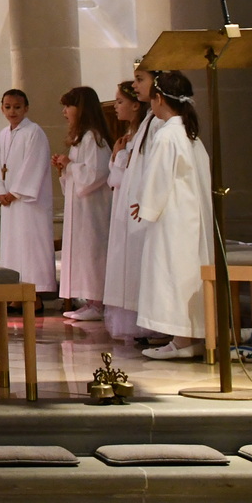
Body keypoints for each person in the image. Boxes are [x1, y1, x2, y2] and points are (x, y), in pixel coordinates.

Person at [132, 70, 214, 359]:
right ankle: (187, 335)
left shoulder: (167, 135)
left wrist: (145, 205)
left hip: (173, 219)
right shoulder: (189, 134)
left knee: (173, 274)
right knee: (185, 275)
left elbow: (158, 178)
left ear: (158, 99)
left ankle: (181, 340)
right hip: (188, 216)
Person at [0, 89, 56, 301]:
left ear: (26, 108)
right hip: (9, 203)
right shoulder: (3, 134)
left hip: (28, 203)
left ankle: (35, 296)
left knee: (30, 247)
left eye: (17, 107)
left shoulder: (34, 132)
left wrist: (15, 192)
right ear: (2, 108)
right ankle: (16, 294)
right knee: (13, 247)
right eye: (8, 107)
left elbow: (34, 164)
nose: (12, 111)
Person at [103, 76, 159, 341]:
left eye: (120, 101)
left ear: (136, 105)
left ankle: (145, 324)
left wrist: (119, 157)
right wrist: (118, 157)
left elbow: (132, 172)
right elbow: (117, 177)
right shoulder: (134, 133)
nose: (115, 106)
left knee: (135, 262)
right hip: (124, 202)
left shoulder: (150, 128)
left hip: (135, 204)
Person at [52, 86, 112, 322]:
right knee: (85, 254)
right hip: (82, 209)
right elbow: (77, 179)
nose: (64, 112)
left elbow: (95, 174)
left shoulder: (93, 138)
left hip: (93, 210)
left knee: (93, 253)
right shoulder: (80, 140)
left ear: (82, 108)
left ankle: (98, 303)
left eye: (69, 106)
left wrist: (70, 165)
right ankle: (90, 301)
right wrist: (64, 168)